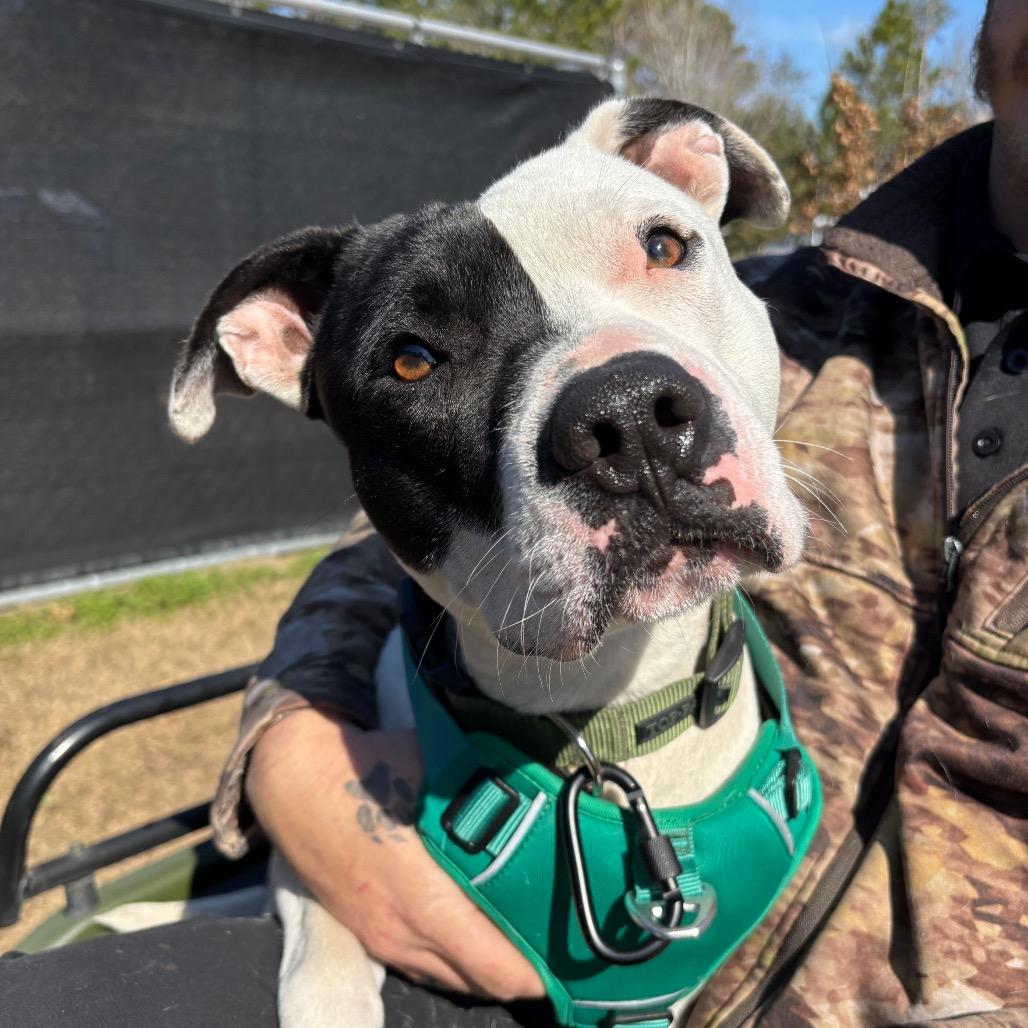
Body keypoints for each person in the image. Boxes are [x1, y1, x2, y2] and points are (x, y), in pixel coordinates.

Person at [2, 2, 1024, 1025]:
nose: (628, 405)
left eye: (663, 252)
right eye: (417, 358)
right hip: (491, 902)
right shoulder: (813, 298)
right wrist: (297, 743)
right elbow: (374, 552)